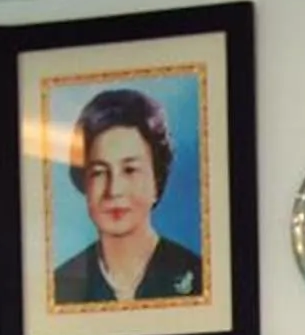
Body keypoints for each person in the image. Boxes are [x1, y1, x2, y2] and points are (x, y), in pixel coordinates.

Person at [50, 88, 203, 305]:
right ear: (83, 181)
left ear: (156, 179)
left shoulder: (199, 277)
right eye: (99, 172)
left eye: (130, 170)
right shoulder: (59, 287)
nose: (114, 190)